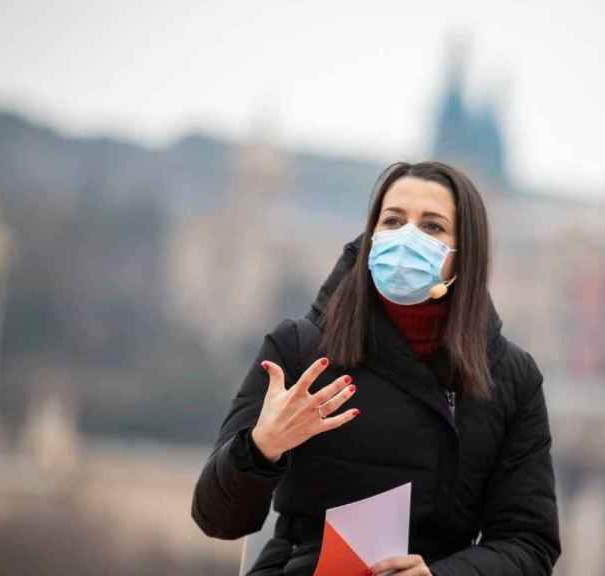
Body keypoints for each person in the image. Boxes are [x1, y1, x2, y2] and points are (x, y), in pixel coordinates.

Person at [192, 161, 560, 575]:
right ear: (371, 237)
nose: (407, 238)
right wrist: (261, 447)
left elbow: (529, 545)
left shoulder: (511, 378)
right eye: (393, 220)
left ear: (464, 256)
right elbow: (215, 517)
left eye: (432, 227)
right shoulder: (299, 350)